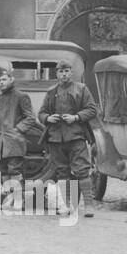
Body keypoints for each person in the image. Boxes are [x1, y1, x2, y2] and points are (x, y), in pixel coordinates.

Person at [38, 61, 100, 217]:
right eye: (61, 71)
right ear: (57, 74)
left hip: (76, 136)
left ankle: (89, 206)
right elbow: (41, 113)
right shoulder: (51, 92)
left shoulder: (81, 89)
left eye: (66, 71)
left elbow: (92, 109)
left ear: (71, 73)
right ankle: (65, 206)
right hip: (56, 138)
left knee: (82, 171)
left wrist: (76, 117)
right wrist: (48, 118)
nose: (64, 74)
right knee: (62, 172)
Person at [0, 67, 42, 201]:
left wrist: (17, 130)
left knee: (15, 171)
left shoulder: (21, 96)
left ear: (12, 80)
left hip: (14, 142)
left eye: (4, 79)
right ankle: (9, 199)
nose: (1, 82)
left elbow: (30, 118)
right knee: (3, 171)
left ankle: (18, 200)